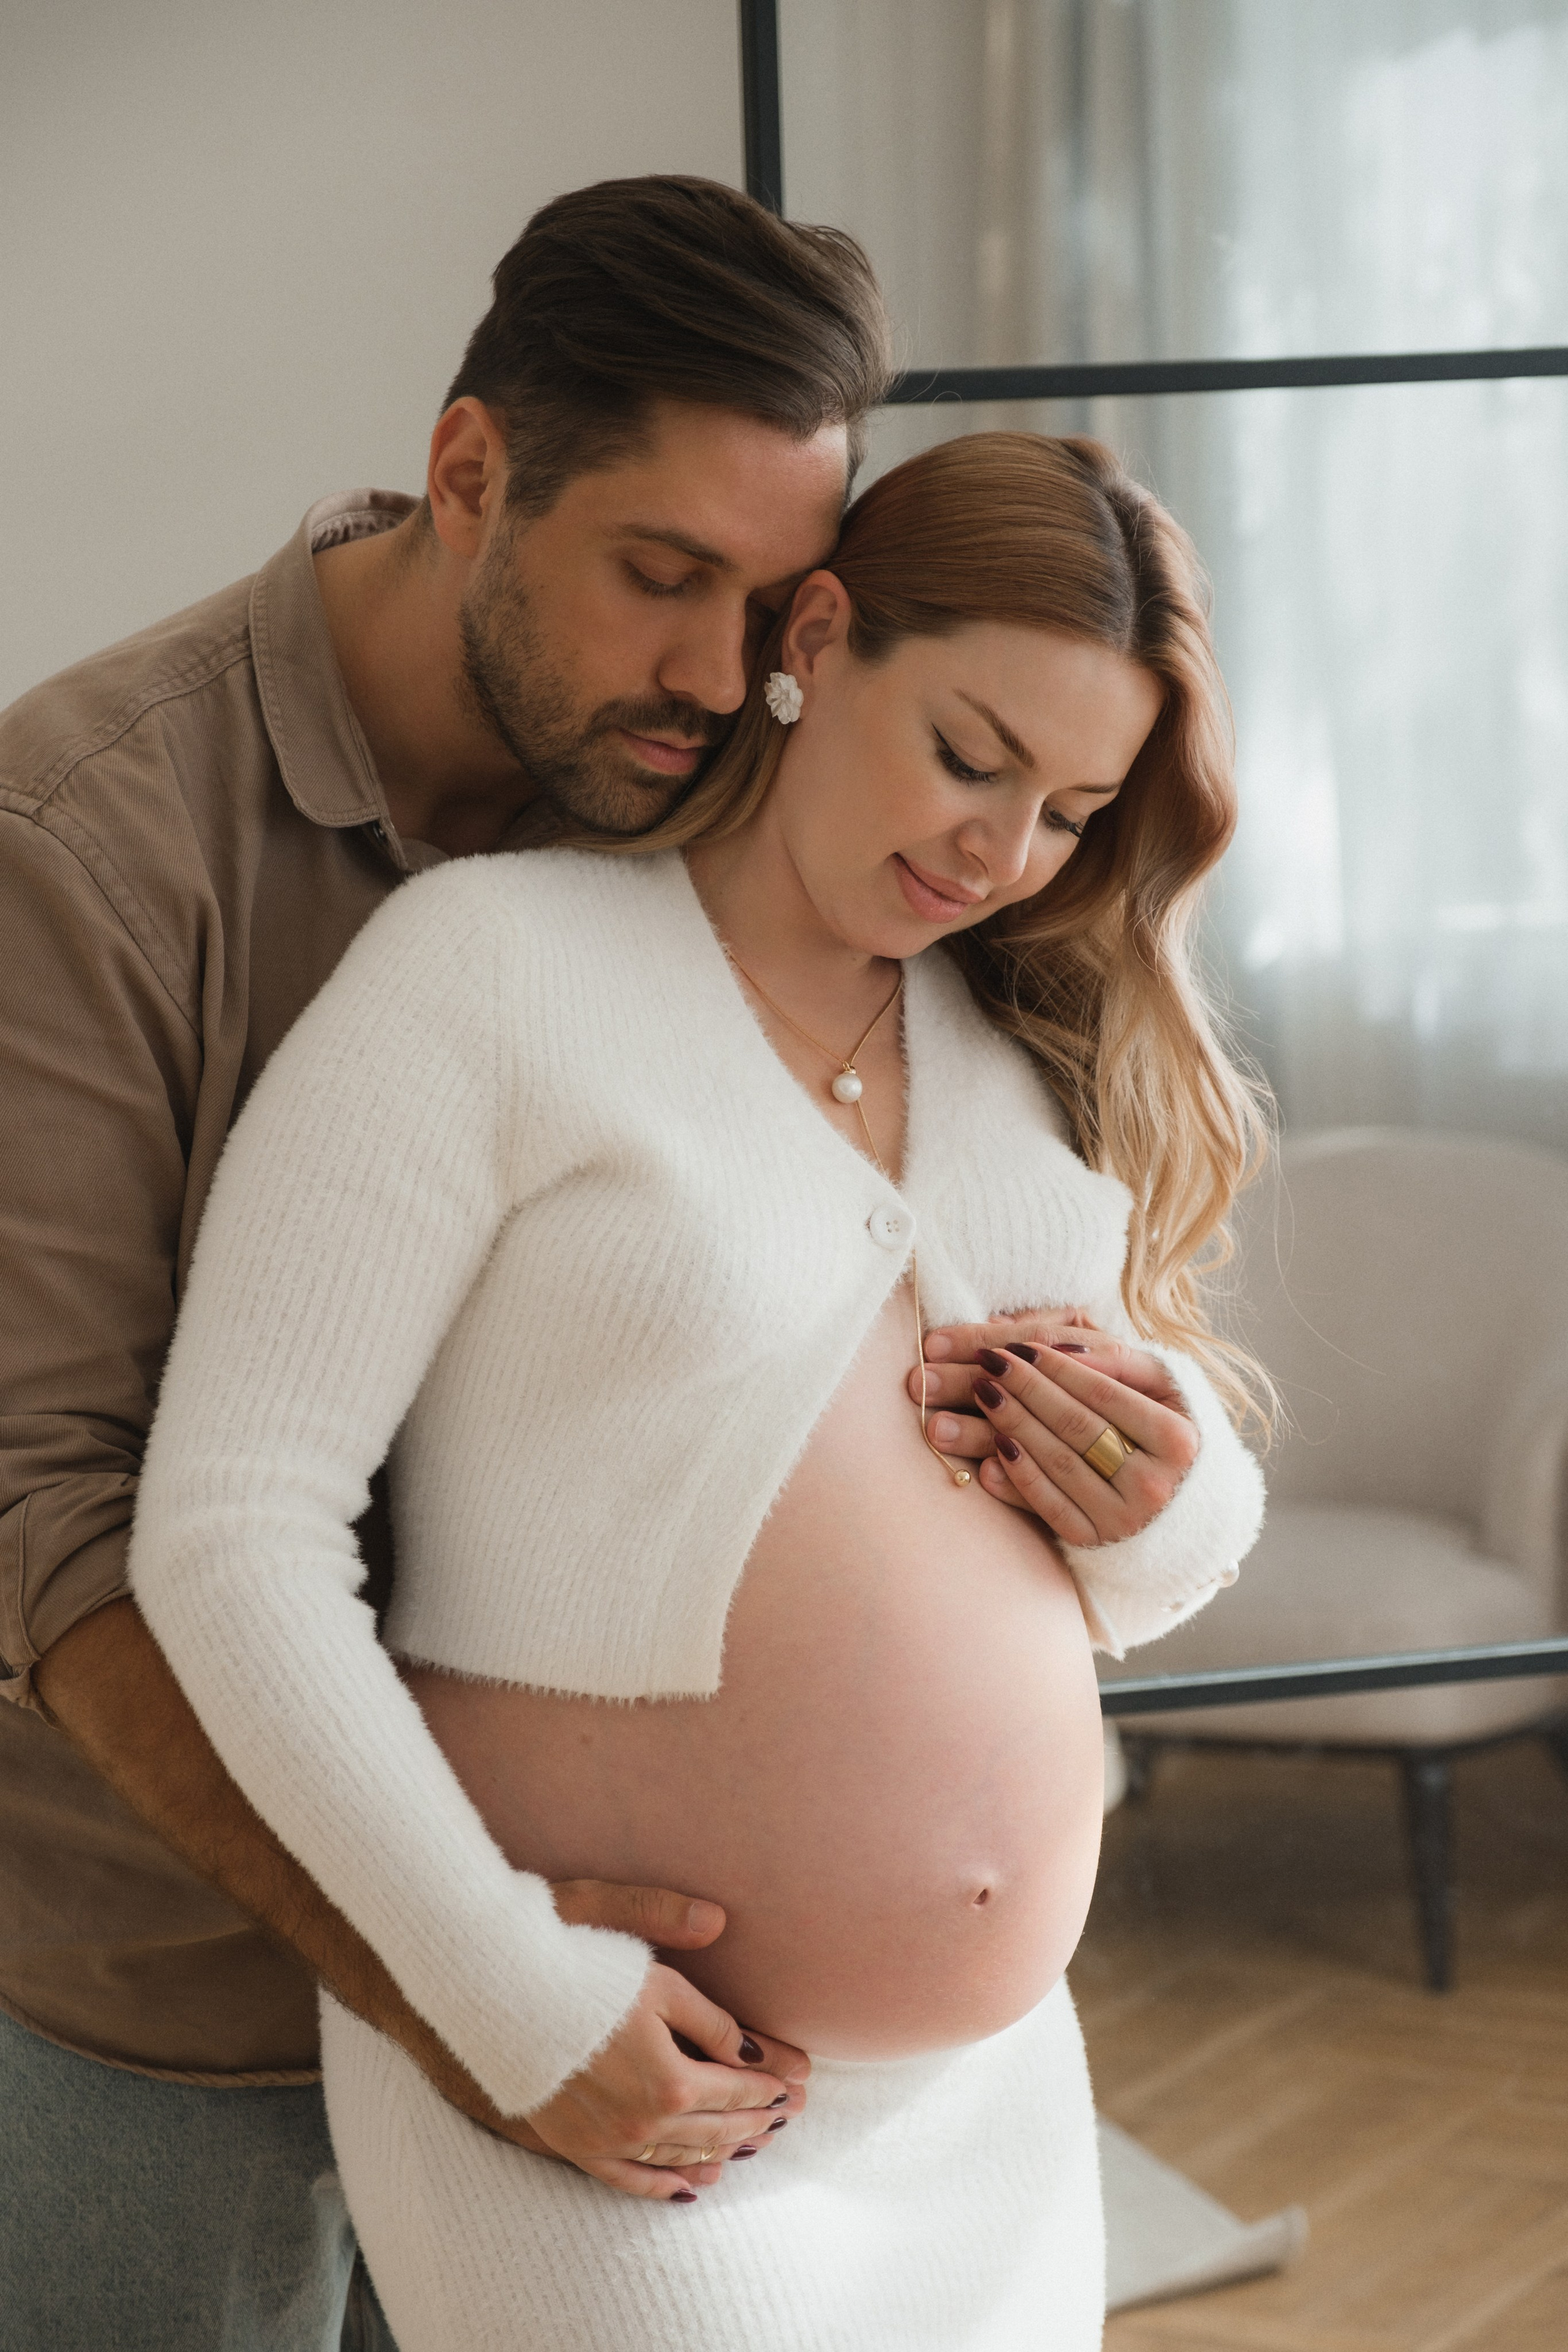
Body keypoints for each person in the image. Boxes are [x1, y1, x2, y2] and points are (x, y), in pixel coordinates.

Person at [130, 430, 1268, 2350]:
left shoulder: (1014, 1044)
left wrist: (1172, 1492)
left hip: (989, 2122)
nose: (1003, 853)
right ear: (817, 636)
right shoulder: (495, 972)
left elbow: (1148, 1569)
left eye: (1073, 810)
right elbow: (228, 1535)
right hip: (615, 2090)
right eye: (969, 755)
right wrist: (503, 1997)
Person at [0, 175, 891, 2350]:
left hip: (648, 1986)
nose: (716, 674)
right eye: (659, 576)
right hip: (182, 2003)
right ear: (471, 473)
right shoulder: (83, 845)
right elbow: (42, 1513)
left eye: (772, 604)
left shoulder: (701, 800)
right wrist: (461, 1974)